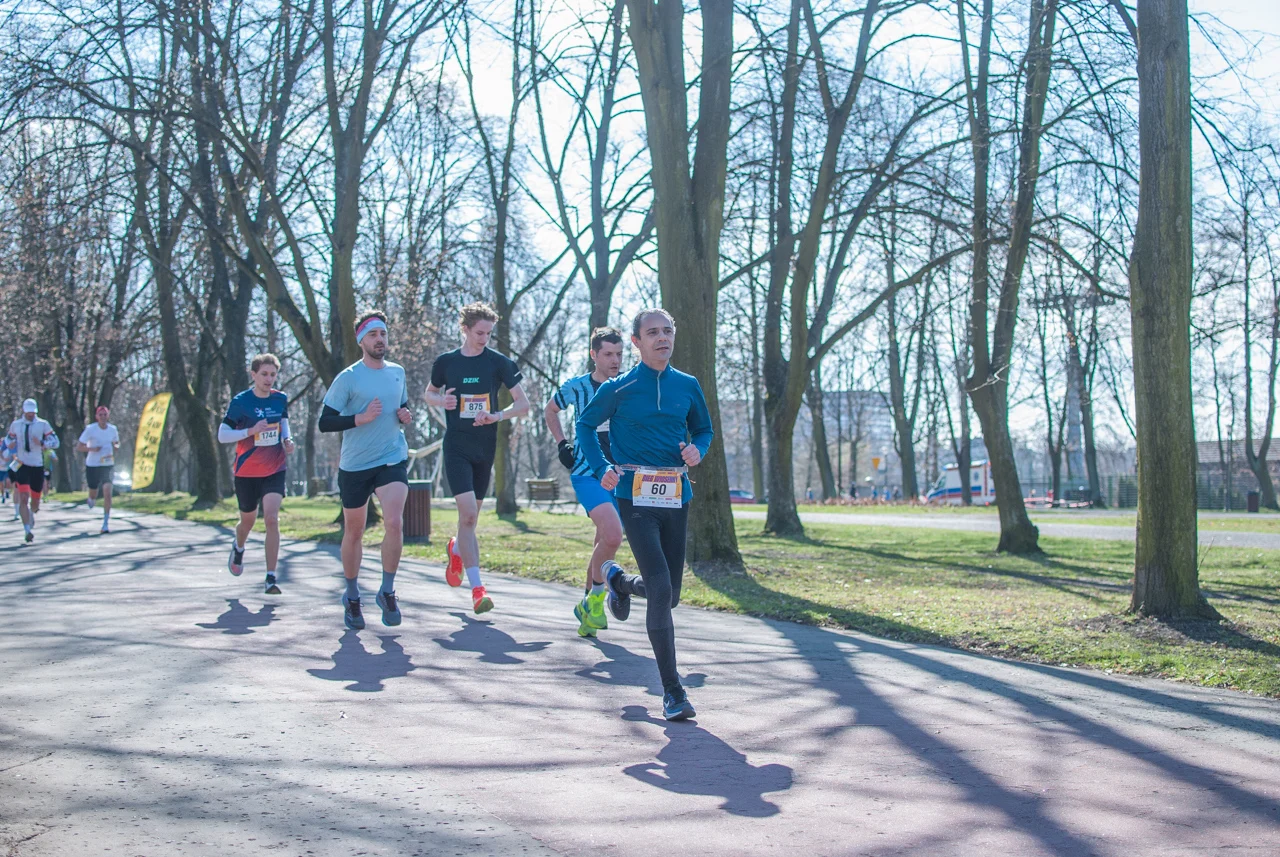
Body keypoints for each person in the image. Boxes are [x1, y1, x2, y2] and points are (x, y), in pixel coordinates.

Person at [577, 309, 712, 722]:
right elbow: (584, 425)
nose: (662, 338)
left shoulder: (687, 385)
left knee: (670, 594)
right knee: (659, 584)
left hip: (676, 493)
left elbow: (703, 430)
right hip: (633, 496)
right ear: (636, 342)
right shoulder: (619, 387)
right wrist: (601, 467)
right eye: (652, 332)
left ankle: (618, 580)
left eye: (667, 331)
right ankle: (673, 691)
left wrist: (698, 449)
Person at [426, 302, 530, 615]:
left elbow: (523, 405)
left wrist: (497, 415)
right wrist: (441, 400)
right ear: (465, 329)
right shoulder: (446, 362)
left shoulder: (499, 363)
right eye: (479, 333)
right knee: (469, 516)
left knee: (469, 521)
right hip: (456, 446)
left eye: (489, 333)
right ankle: (477, 589)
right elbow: (428, 393)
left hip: (485, 449)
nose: (484, 338)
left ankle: (457, 548)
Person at [319, 310, 413, 630]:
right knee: (354, 531)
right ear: (361, 340)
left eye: (383, 334)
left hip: (391, 457)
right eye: (373, 335)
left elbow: (403, 405)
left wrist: (404, 415)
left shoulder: (398, 372)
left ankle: (387, 590)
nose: (380, 339)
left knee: (394, 522)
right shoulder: (348, 378)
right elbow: (325, 422)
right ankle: (352, 595)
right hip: (356, 464)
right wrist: (359, 419)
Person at [544, 327, 625, 637]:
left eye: (619, 354)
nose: (615, 360)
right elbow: (551, 410)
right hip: (587, 472)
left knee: (603, 539)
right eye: (608, 354)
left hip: (621, 475)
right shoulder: (577, 386)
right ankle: (596, 601)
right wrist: (561, 443)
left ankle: (588, 607)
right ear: (594, 355)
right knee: (613, 536)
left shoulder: (627, 385)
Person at [218, 355, 295, 594]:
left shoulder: (280, 399)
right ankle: (239, 546)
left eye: (273, 375)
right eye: (264, 374)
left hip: (274, 468)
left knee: (271, 518)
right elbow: (222, 435)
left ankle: (271, 577)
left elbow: (283, 423)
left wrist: (288, 440)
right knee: (248, 522)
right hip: (247, 472)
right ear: (253, 375)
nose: (268, 379)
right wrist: (249, 431)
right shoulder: (241, 402)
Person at [7, 398, 59, 543]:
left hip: (37, 465)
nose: (31, 415)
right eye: (29, 413)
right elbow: (8, 439)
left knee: (35, 503)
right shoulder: (16, 425)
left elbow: (56, 442)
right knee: (23, 497)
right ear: (24, 411)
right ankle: (27, 530)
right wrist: (10, 444)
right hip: (22, 464)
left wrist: (42, 443)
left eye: (33, 413)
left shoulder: (43, 424)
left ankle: (31, 513)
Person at [77, 405, 121, 533]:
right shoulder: (90, 429)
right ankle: (91, 499)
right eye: (100, 415)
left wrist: (116, 446)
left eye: (105, 414)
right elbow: (79, 447)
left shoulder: (113, 429)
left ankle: (105, 523)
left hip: (108, 464)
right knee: (93, 492)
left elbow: (116, 442)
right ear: (96, 416)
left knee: (107, 492)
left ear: (108, 416)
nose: (103, 417)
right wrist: (92, 449)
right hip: (93, 464)